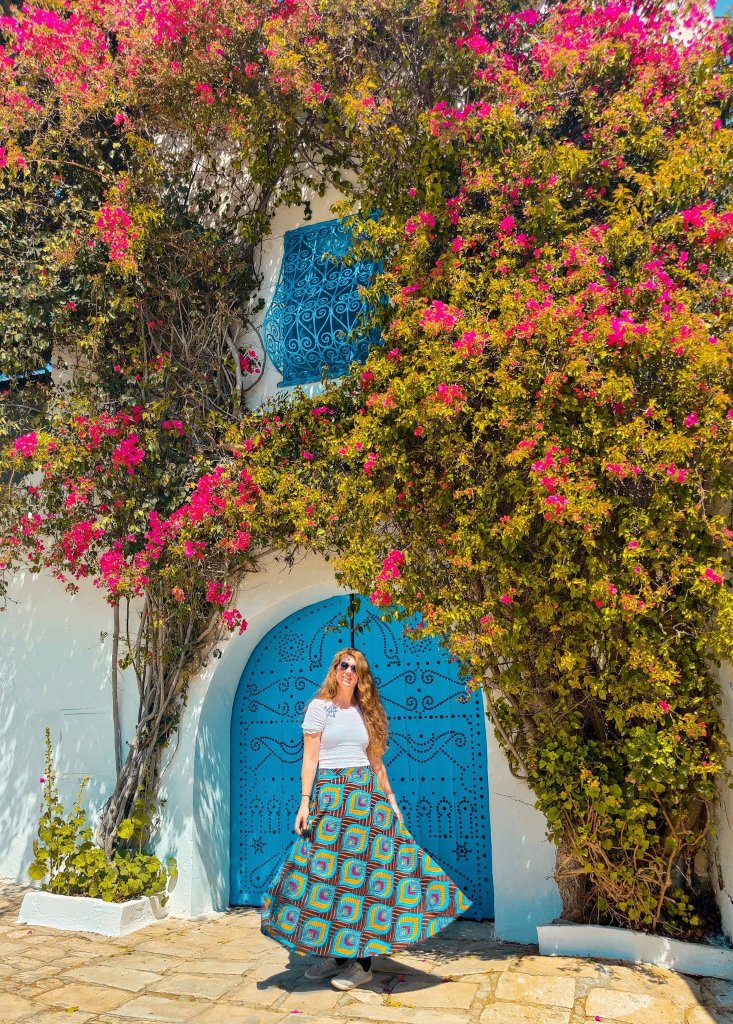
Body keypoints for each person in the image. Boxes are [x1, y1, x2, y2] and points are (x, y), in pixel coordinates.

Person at [260, 647, 472, 991]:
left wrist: (391, 800)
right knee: (329, 877)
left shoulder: (366, 712)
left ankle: (362, 964)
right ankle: (338, 954)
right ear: (334, 669)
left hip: (364, 798)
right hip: (330, 795)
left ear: (361, 676)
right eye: (344, 665)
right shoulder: (319, 708)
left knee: (367, 876)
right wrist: (304, 802)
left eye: (356, 668)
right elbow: (310, 758)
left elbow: (375, 762)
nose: (349, 671)